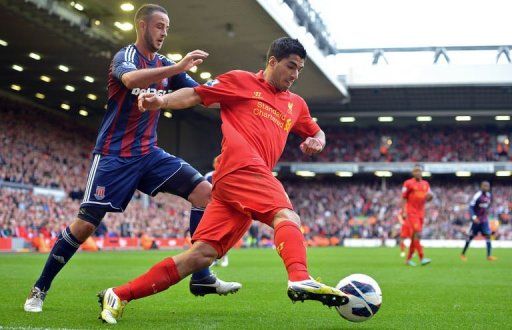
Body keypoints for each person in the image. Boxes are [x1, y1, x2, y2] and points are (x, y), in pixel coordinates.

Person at [97, 37, 350, 324]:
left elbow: (316, 132)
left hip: (238, 187)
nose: (294, 75)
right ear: (272, 62)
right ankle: (300, 278)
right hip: (240, 169)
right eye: (290, 66)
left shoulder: (296, 105)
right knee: (286, 214)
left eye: (299, 70)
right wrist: (162, 101)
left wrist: (317, 140)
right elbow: (195, 95)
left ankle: (118, 294)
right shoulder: (240, 82)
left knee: (200, 256)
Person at [24, 3, 240, 313]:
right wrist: (177, 68)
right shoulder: (125, 58)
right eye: (159, 26)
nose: (164, 32)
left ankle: (201, 276)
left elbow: (200, 94)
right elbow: (130, 80)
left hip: (149, 154)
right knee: (85, 226)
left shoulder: (164, 64)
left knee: (205, 192)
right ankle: (39, 288)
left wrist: (241, 97)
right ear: (142, 26)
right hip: (114, 156)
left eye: (167, 27)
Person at [401, 165, 433, 266]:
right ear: (413, 173)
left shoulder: (425, 184)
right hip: (411, 212)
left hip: (421, 213)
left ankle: (408, 259)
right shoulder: (408, 183)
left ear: (421, 172)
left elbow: (427, 198)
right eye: (415, 171)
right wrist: (404, 211)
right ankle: (421, 257)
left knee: (415, 236)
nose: (417, 173)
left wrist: (430, 197)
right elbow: (403, 198)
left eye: (419, 171)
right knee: (417, 233)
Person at [461, 181, 497, 261]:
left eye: (487, 186)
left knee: (488, 236)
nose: (486, 187)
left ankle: (489, 256)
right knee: (470, 237)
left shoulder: (489, 196)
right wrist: (474, 217)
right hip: (476, 221)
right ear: (481, 186)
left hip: (484, 220)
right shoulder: (477, 195)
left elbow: (489, 205)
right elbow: (471, 207)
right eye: (484, 186)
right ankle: (463, 254)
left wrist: (486, 212)